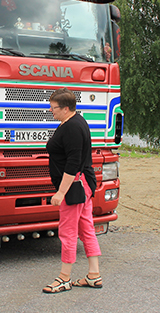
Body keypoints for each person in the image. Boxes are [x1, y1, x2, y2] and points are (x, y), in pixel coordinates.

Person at [43, 88, 102, 294]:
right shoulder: (76, 121)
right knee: (86, 228)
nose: (51, 111)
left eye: (54, 108)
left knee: (67, 232)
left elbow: (73, 163)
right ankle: (93, 275)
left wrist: (60, 192)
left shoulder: (72, 127)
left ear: (66, 108)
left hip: (74, 186)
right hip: (83, 184)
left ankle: (64, 278)